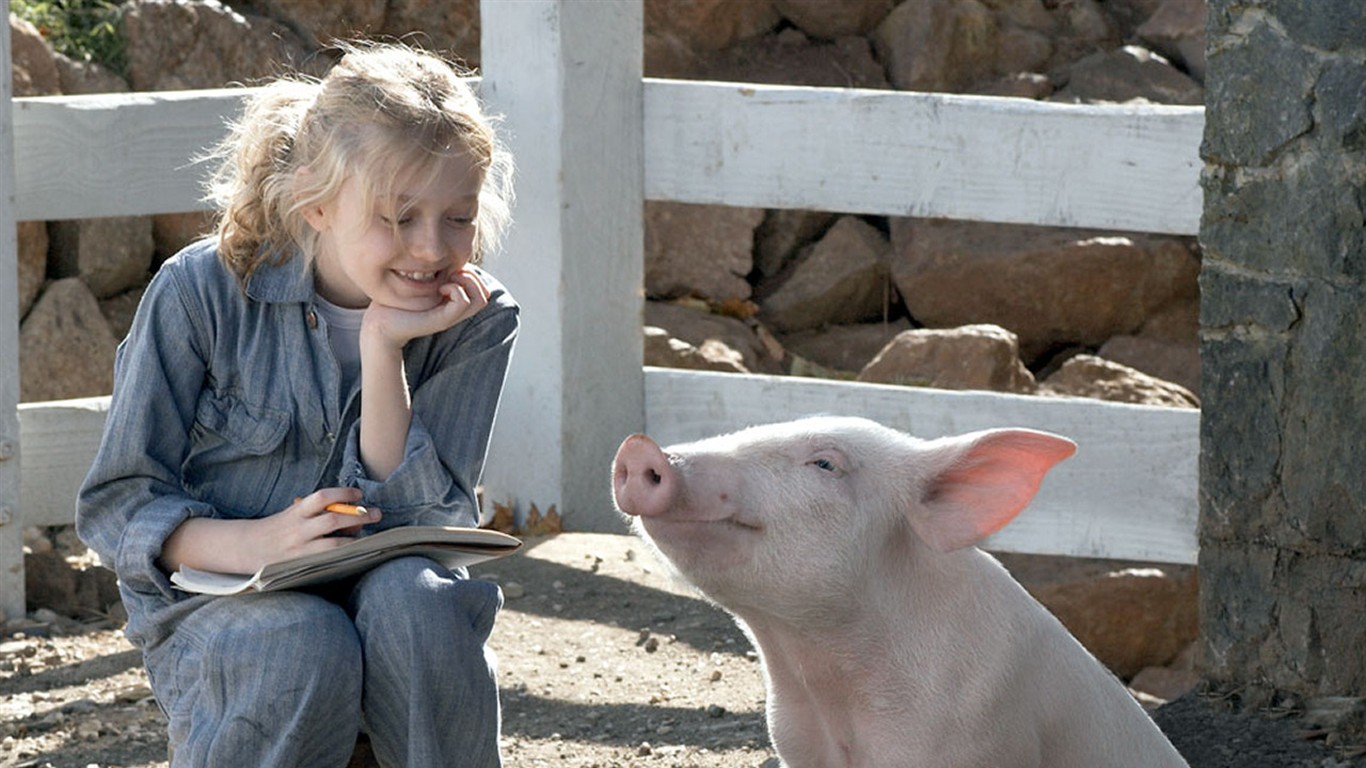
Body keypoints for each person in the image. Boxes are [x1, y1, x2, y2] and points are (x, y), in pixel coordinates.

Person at [76, 40, 518, 768]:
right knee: (300, 644)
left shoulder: (477, 317)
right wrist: (256, 544)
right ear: (316, 203)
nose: (433, 247)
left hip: (387, 591)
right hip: (219, 601)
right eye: (399, 217)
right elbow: (118, 502)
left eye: (459, 218)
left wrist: (383, 351)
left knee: (423, 605)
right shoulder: (202, 292)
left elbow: (423, 522)